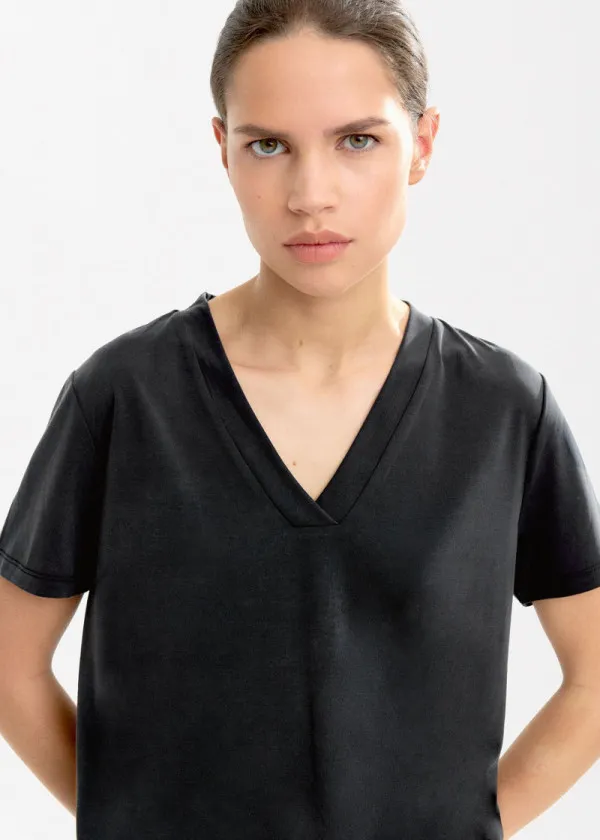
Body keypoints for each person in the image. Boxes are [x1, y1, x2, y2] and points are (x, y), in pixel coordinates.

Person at [1, 1, 600, 838]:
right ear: (223, 150)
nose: (310, 196)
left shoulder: (503, 410)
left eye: (357, 140)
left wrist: (471, 826)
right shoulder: (124, 398)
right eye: (268, 146)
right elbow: (10, 665)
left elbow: (593, 676)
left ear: (422, 144)